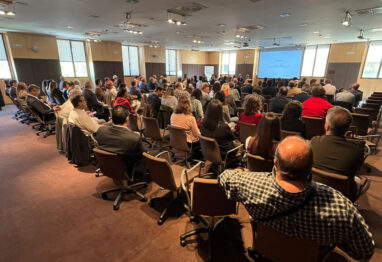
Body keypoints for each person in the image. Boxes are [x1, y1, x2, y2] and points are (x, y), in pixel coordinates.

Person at [218, 136, 374, 261]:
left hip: (268, 250)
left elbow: (223, 177)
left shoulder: (249, 184)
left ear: (276, 163)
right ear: (311, 165)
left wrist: (239, 171)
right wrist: (334, 240)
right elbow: (364, 252)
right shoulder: (341, 208)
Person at [310, 106, 365, 192]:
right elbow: (357, 169)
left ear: (326, 127)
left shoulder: (314, 142)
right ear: (348, 128)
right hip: (344, 194)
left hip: (314, 189)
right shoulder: (358, 150)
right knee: (358, 179)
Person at [95, 105, 146, 175]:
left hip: (109, 167)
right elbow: (144, 154)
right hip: (129, 170)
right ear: (127, 119)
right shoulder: (134, 138)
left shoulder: (100, 131)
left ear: (111, 118)